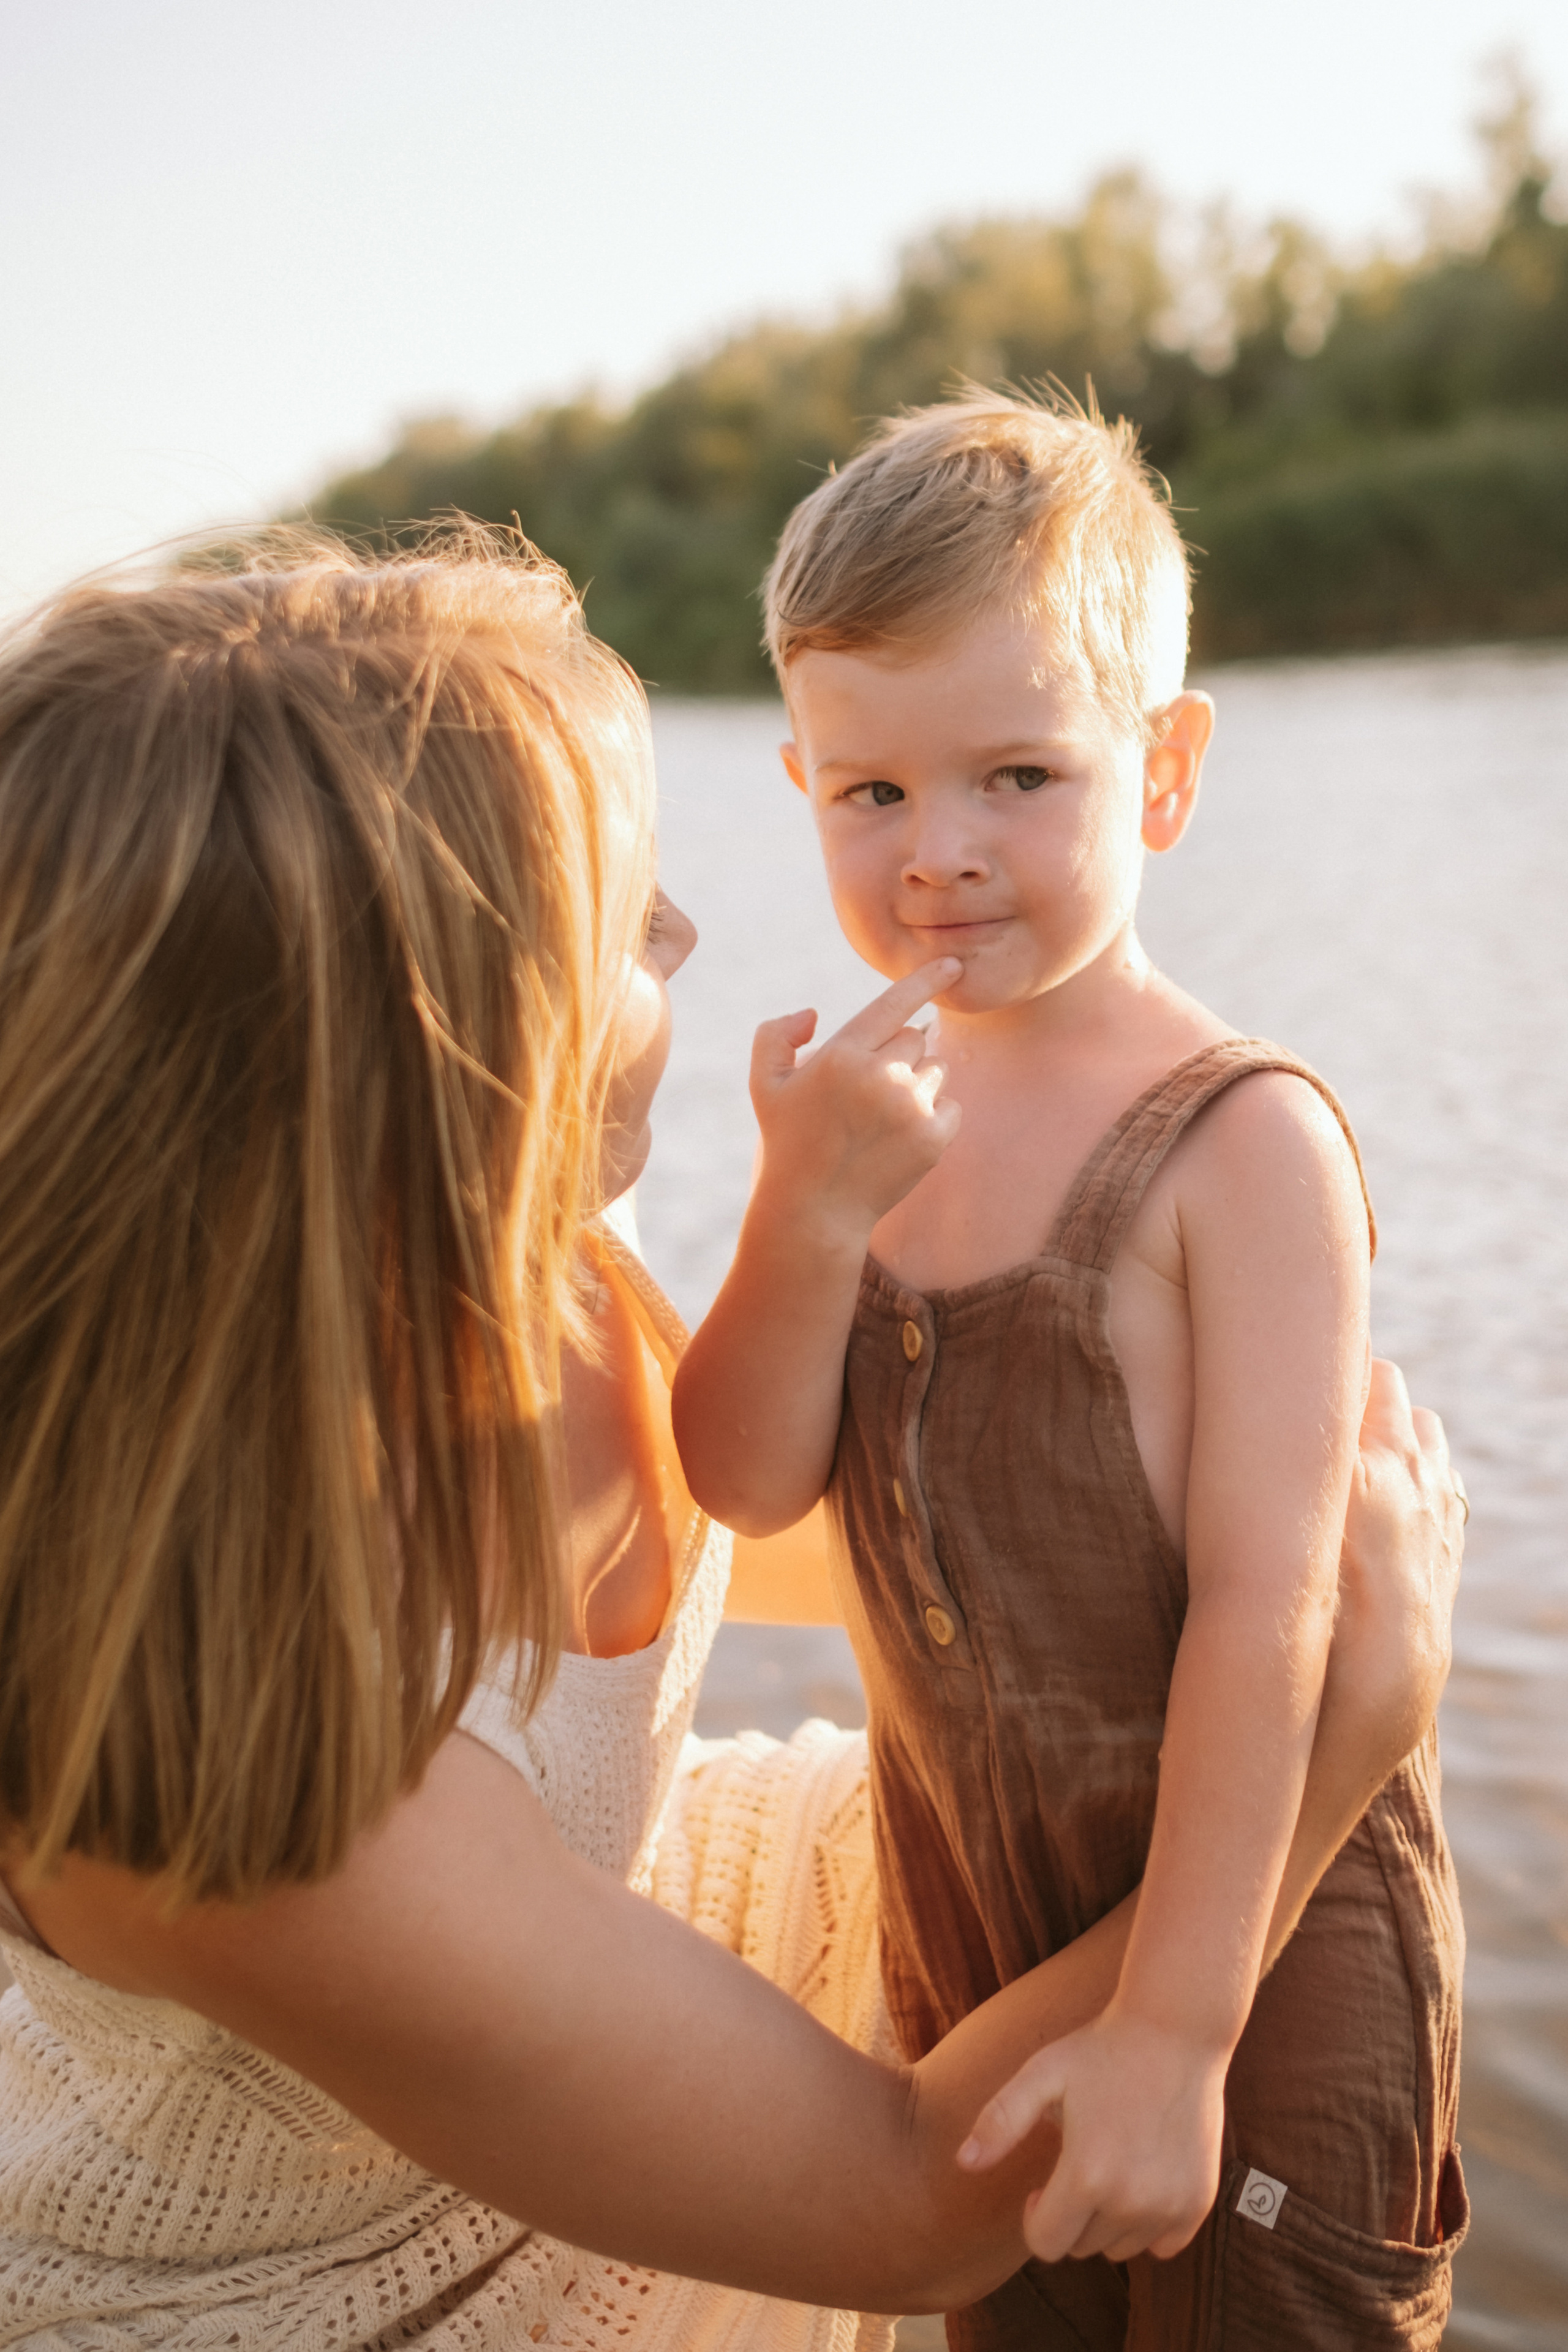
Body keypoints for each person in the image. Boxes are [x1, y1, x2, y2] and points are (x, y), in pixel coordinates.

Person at [0, 533, 1461, 2351]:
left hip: (586, 1953)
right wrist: (1344, 1731)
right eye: (624, 926)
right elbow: (909, 2204)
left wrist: (1194, 1512)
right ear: (428, 1052)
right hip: (373, 2273)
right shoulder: (224, 1746)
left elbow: (790, 1515)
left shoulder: (525, 1265)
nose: (688, 937)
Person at [673, 391, 1468, 2350]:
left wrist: (1183, 2028)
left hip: (1260, 1966)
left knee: (1265, 2306)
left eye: (1017, 774)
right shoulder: (868, 1121)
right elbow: (745, 1480)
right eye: (871, 795)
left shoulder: (1243, 1145)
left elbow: (1277, 1610)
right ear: (803, 782)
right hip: (982, 1942)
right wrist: (802, 1217)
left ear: (1167, 771)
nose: (938, 853)